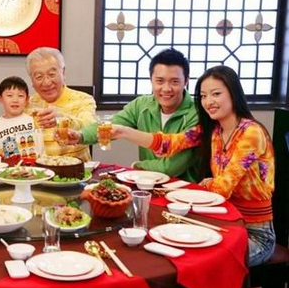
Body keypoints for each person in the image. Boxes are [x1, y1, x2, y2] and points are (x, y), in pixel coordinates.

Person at [112, 65, 275, 266]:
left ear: (233, 93)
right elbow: (169, 143)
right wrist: (123, 131)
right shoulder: (213, 130)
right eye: (204, 96)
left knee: (199, 262)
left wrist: (206, 183)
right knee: (166, 245)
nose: (209, 102)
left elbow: (223, 188)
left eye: (216, 94)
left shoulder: (251, 133)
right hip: (223, 222)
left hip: (254, 233)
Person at [79, 48, 199, 182]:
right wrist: (80, 135)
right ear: (151, 79)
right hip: (146, 186)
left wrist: (137, 166)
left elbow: (171, 168)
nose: (166, 88)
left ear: (186, 81)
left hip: (186, 191)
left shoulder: (197, 113)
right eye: (160, 81)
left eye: (174, 82)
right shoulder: (141, 105)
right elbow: (109, 126)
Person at [26, 47, 96, 161]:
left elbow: (91, 127)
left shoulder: (84, 99)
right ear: (32, 80)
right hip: (36, 173)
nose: (47, 82)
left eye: (52, 74)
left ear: (63, 73)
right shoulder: (27, 104)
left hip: (74, 174)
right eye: (39, 77)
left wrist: (62, 119)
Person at [0, 76, 44, 162]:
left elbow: (42, 151)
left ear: (27, 99)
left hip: (35, 169)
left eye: (20, 96)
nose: (15, 100)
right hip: (8, 171)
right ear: (0, 98)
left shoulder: (34, 121)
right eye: (9, 95)